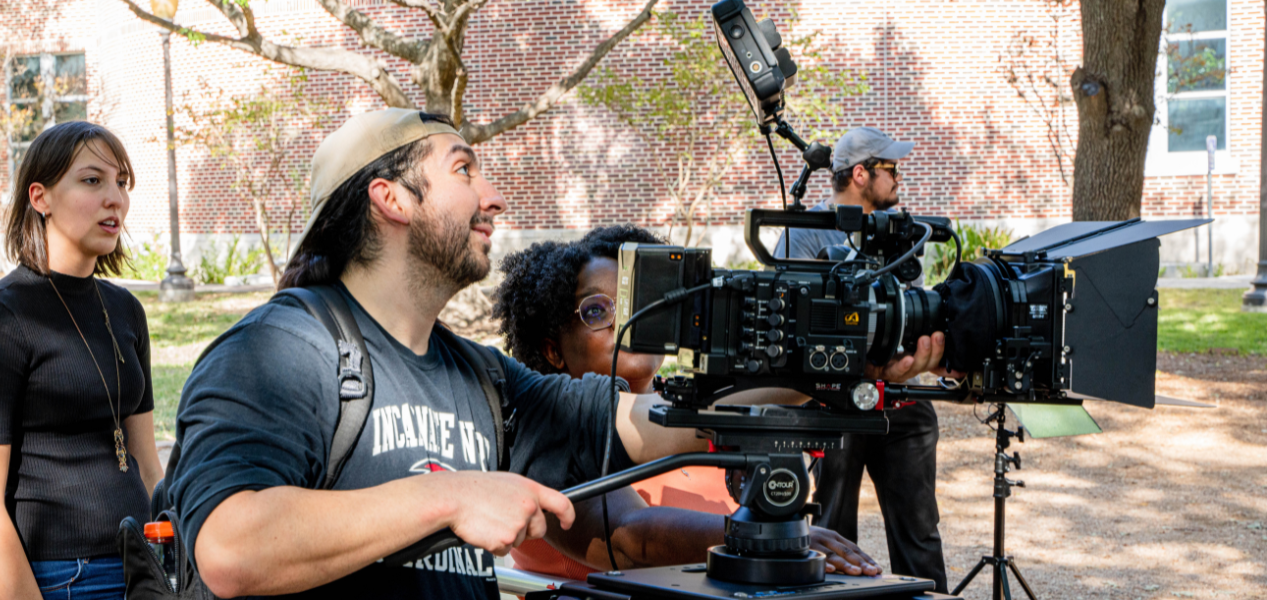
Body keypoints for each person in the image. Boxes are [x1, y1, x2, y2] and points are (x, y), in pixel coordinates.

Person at [162, 109, 949, 599]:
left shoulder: (478, 376)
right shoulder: (279, 345)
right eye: (464, 169)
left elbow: (658, 424)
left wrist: (833, 372)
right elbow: (231, 548)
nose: (493, 197)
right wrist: (450, 497)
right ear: (390, 199)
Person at [494, 225, 882, 579]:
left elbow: (748, 405)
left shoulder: (686, 405)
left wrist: (862, 362)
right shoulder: (548, 426)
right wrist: (770, 540)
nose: (626, 321)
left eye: (638, 304)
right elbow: (632, 537)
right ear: (552, 350)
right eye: (597, 310)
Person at [0, 121, 164, 600]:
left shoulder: (126, 310)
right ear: (40, 197)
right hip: (50, 578)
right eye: (93, 181)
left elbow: (148, 461)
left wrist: (172, 551)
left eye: (121, 182)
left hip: (137, 569)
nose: (115, 198)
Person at [774, 126, 952, 592]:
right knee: (833, 529)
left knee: (920, 533)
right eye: (890, 168)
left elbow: (908, 316)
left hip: (901, 397)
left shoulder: (898, 235)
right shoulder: (805, 237)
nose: (899, 178)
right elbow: (788, 329)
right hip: (834, 402)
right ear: (860, 174)